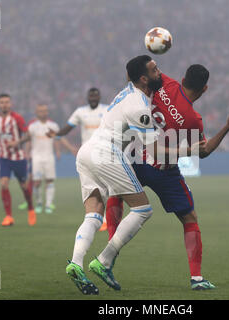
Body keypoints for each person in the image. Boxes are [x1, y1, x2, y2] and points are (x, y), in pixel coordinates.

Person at [104, 65, 229, 290]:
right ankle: (196, 278)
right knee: (189, 218)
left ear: (183, 77)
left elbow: (135, 75)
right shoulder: (193, 119)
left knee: (117, 192)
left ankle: (110, 250)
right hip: (163, 168)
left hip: (136, 155)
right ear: (205, 89)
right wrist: (228, 125)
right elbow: (204, 151)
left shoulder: (165, 83)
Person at [48, 55, 162, 295]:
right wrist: (193, 149)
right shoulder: (139, 106)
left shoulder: (126, 91)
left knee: (93, 215)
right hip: (106, 152)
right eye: (154, 69)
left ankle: (76, 263)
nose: (159, 72)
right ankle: (105, 260)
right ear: (143, 78)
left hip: (86, 151)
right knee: (143, 210)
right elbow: (155, 149)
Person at [47, 88, 111, 230]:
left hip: (103, 152)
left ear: (99, 96)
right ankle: (93, 217)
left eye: (96, 95)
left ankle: (106, 218)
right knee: (89, 188)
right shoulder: (80, 112)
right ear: (87, 97)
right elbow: (68, 128)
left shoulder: (108, 110)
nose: (93, 97)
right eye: (91, 95)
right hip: (86, 155)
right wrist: (56, 135)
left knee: (105, 187)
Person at [8, 104, 76, 214]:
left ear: (47, 112)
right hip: (37, 157)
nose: (43, 113)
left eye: (44, 111)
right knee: (37, 182)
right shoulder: (33, 126)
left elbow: (59, 138)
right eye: (40, 111)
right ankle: (39, 203)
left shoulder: (53, 125)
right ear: (36, 112)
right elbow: (28, 139)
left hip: (49, 156)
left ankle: (48, 205)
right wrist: (26, 151)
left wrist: (69, 148)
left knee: (50, 180)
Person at [0, 93, 36, 227]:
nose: (4, 104)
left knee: (24, 187)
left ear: (10, 104)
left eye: (6, 102)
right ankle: (9, 217)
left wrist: (17, 142)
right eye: (2, 102)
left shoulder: (17, 118)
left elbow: (28, 136)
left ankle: (30, 208)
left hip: (18, 158)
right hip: (4, 158)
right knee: (4, 184)